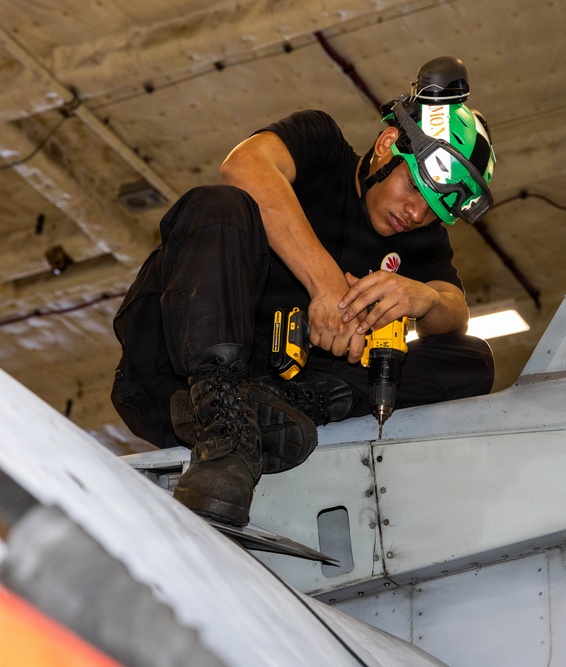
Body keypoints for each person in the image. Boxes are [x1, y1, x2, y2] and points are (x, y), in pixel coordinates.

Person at [111, 57, 497, 526]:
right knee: (217, 206)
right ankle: (224, 420)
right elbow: (244, 164)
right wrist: (327, 286)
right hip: (170, 379)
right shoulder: (322, 145)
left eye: (435, 210)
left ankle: (280, 405)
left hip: (276, 398)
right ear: (387, 144)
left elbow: (455, 313)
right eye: (414, 190)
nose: (417, 214)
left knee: (471, 360)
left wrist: (427, 299)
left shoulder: (419, 241)